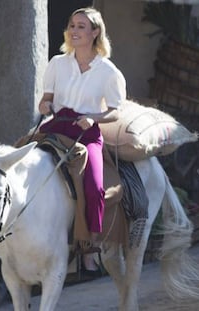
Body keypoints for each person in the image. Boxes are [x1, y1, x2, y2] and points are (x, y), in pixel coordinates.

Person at [37, 7, 126, 274]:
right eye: (72, 26)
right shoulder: (56, 63)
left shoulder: (109, 71)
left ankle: (90, 246)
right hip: (56, 126)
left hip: (87, 133)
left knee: (95, 186)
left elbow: (116, 111)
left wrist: (93, 117)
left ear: (95, 33)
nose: (74, 31)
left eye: (81, 27)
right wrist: (45, 106)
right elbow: (46, 99)